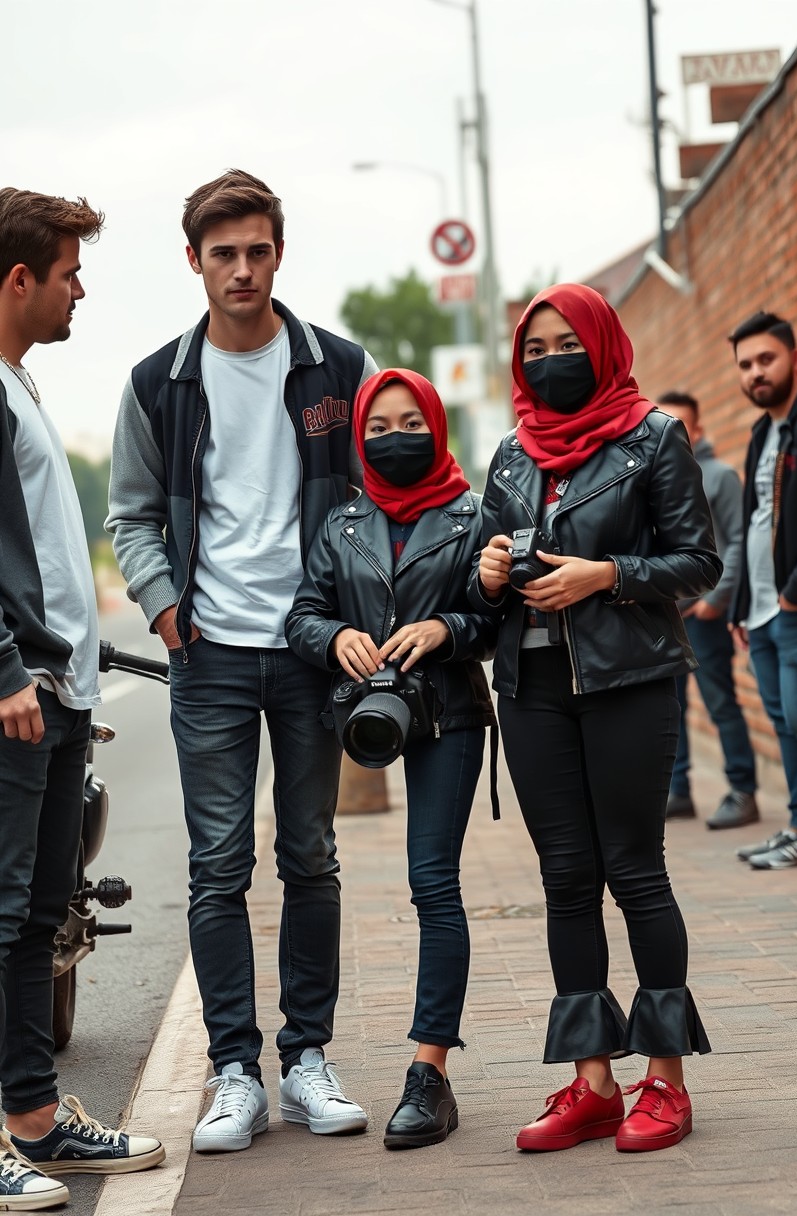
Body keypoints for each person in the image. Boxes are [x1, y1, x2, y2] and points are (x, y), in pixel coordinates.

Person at [106, 170, 377, 1153]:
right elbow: (131, 515)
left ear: (278, 253)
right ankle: (234, 1070)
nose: (243, 269)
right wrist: (166, 609)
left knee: (310, 855)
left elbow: (380, 497)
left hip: (313, 653)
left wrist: (365, 608)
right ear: (195, 262)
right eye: (223, 253)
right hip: (210, 653)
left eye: (258, 249)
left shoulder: (339, 368)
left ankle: (306, 1059)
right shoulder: (155, 382)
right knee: (217, 865)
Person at [471, 283, 721, 1154]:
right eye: (532, 349)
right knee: (566, 879)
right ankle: (591, 1084)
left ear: (602, 343)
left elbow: (698, 561)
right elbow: (483, 569)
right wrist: (491, 569)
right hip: (532, 684)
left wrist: (604, 574)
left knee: (635, 870)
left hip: (628, 681)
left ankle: (665, 1081)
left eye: (562, 343)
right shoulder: (509, 453)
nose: (547, 361)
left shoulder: (653, 436)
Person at [0, 187, 164, 1210]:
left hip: (52, 694)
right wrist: (5, 671)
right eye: (68, 272)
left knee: (30, 919)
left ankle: (33, 1117)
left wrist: (71, 679)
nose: (80, 288)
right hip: (14, 695)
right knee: (0, 910)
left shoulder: (17, 385)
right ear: (18, 279)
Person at [285, 368, 496, 1149]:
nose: (394, 437)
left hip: (449, 714)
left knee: (432, 881)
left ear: (436, 427)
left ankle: (429, 1072)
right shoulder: (341, 523)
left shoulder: (474, 514)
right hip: (364, 713)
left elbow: (494, 612)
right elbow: (303, 614)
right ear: (359, 440)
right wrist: (333, 636)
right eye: (378, 428)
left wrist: (447, 628)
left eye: (411, 424)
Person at [729, 311, 797, 870]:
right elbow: (753, 523)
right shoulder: (762, 432)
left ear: (794, 357)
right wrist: (745, 603)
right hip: (764, 610)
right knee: (785, 719)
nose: (755, 373)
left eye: (765, 359)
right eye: (745, 365)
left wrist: (794, 592)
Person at [656, 391, 758, 829]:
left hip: (703, 617)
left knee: (720, 703)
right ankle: (679, 792)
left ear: (696, 430)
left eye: (681, 424)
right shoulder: (656, 477)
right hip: (665, 616)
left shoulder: (718, 476)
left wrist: (716, 601)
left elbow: (737, 540)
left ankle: (743, 790)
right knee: (669, 708)